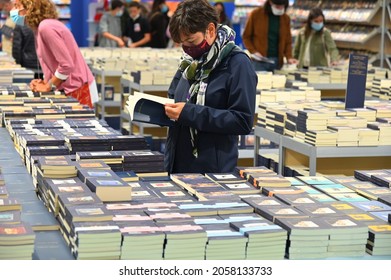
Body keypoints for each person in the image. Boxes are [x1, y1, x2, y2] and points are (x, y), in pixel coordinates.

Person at [164, 0, 257, 174]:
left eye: (191, 41)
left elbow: (242, 120)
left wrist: (189, 113)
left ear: (211, 30)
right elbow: (174, 93)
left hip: (212, 168)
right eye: (183, 44)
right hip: (179, 161)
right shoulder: (189, 62)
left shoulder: (237, 64)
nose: (188, 49)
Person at [11, 0, 98, 108]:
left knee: (80, 123)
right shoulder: (41, 28)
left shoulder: (46, 27)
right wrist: (45, 81)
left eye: (17, 6)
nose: (13, 10)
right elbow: (54, 62)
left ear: (29, 8)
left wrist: (49, 86)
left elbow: (67, 65)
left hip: (78, 88)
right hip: (72, 87)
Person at [242, 0, 297, 72]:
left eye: (282, 7)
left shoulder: (285, 18)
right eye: (277, 6)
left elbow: (287, 41)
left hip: (277, 62)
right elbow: (246, 36)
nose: (280, 9)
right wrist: (253, 51)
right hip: (259, 61)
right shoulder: (256, 14)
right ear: (270, 2)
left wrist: (289, 57)